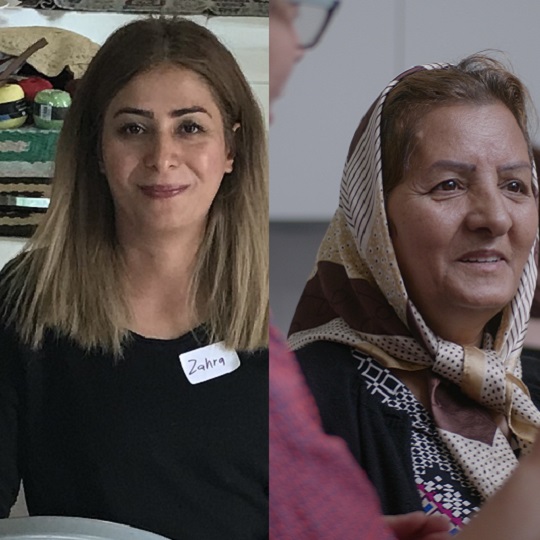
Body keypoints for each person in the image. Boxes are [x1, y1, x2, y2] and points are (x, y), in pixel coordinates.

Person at [0, 18, 268, 540]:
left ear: (231, 149)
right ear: (97, 149)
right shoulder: (31, 296)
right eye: (132, 128)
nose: (162, 157)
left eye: (190, 127)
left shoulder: (296, 301)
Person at [288, 53, 540, 534]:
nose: (495, 217)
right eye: (449, 185)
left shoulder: (529, 385)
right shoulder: (305, 401)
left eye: (515, 185)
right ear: (377, 225)